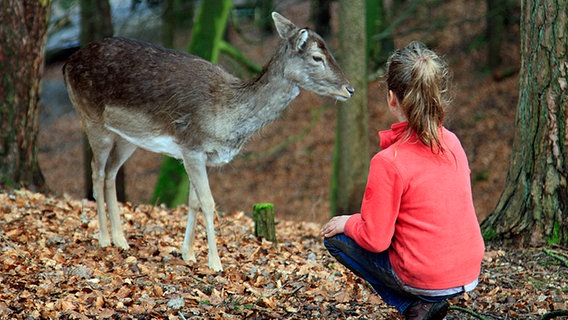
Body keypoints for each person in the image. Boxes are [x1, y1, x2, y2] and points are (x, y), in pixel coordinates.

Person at [321, 41, 485, 320]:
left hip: (429, 278)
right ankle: (426, 302)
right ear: (434, 94)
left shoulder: (388, 161)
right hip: (469, 272)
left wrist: (347, 221)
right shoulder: (452, 141)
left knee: (336, 238)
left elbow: (374, 240)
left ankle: (413, 306)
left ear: (391, 98)